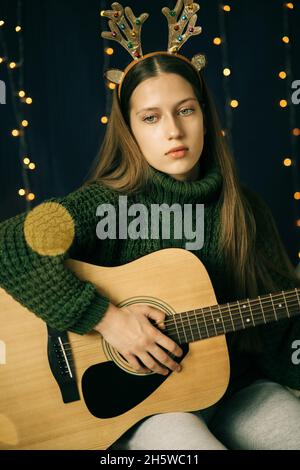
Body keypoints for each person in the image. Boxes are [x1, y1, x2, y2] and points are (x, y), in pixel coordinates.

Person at [1, 0, 300, 451]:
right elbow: (10, 247)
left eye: (186, 111)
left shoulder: (246, 210)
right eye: (151, 117)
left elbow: (282, 335)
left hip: (236, 389)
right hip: (146, 406)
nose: (173, 132)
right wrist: (107, 320)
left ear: (205, 116)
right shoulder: (105, 203)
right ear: (131, 130)